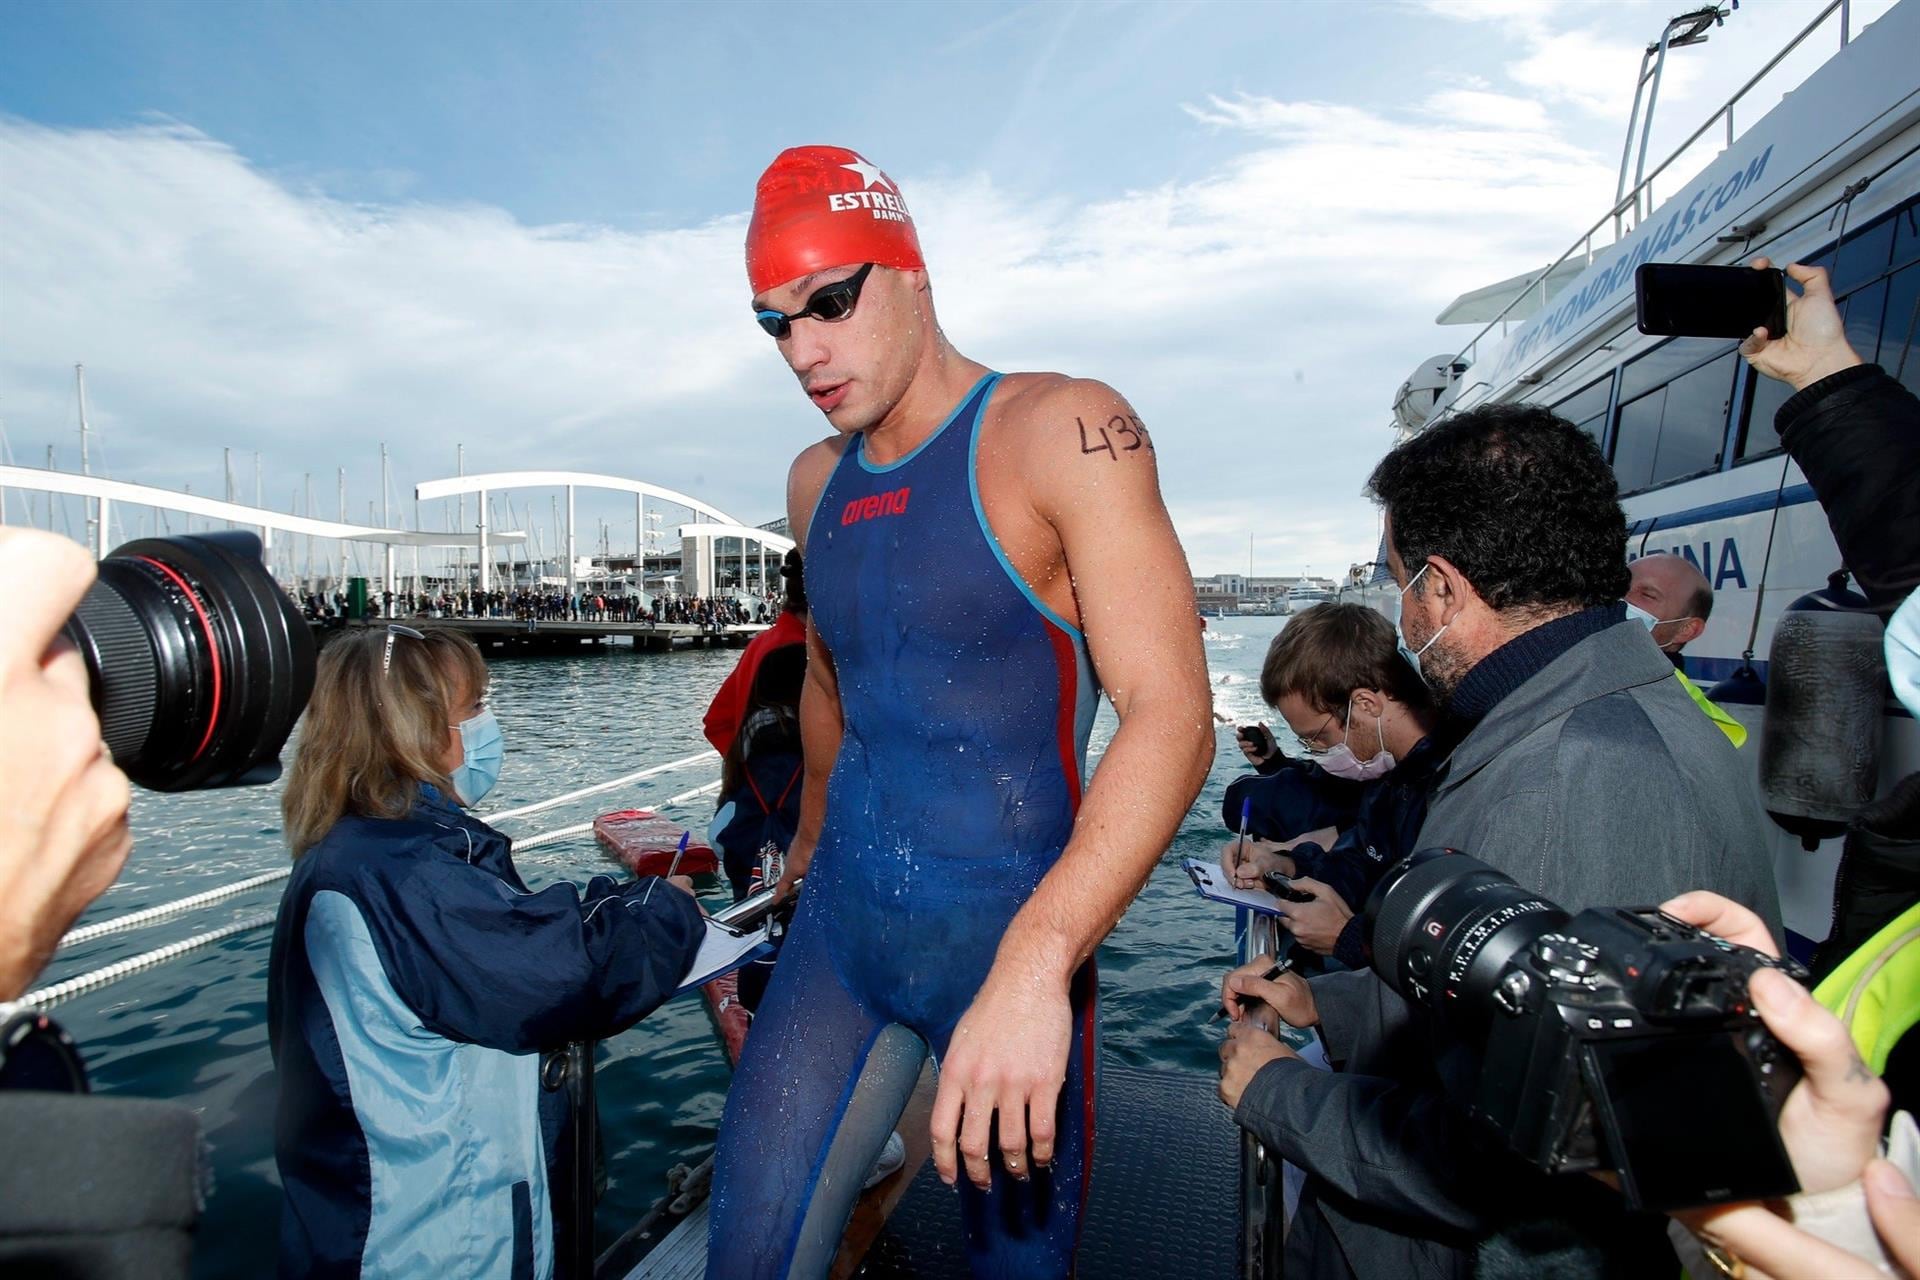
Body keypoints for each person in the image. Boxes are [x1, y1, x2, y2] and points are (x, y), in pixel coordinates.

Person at [707, 145, 1212, 1278]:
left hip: (1010, 936)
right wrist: (801, 837)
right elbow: (835, 674)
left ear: (914, 270)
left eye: (831, 301)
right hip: (842, 926)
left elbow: (1173, 715)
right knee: (746, 1256)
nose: (804, 350)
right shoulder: (811, 483)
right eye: (774, 322)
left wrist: (1039, 965)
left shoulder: (1061, 429)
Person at [1218, 403, 1783, 1278]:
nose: (1404, 625)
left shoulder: (1568, 776)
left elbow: (1511, 1158)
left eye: (1404, 585)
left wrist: (1278, 1093)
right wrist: (1325, 1004)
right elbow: (1496, 1014)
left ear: (1442, 588)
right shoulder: (1611, 706)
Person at [269, 625, 705, 1279]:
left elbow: (506, 935)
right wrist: (665, 909)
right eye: (474, 708)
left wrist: (610, 905)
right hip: (434, 1246)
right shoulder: (408, 871)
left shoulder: (363, 851)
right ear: (419, 728)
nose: (486, 724)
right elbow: (556, 975)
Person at [1219, 603, 1444, 969]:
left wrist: (1352, 940)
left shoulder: (1452, 785)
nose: (1318, 754)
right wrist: (1284, 865)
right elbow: (1363, 864)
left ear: (1366, 704)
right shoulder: (1389, 774)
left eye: (1317, 739)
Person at [1625, 553, 1746, 747]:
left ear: (1686, 630)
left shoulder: (1690, 718)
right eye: (1619, 588)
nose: (1623, 600)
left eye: (1647, 595)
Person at [703, 547, 808, 756]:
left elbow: (717, 723)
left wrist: (747, 773)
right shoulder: (799, 653)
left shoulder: (761, 644)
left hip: (764, 784)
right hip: (798, 786)